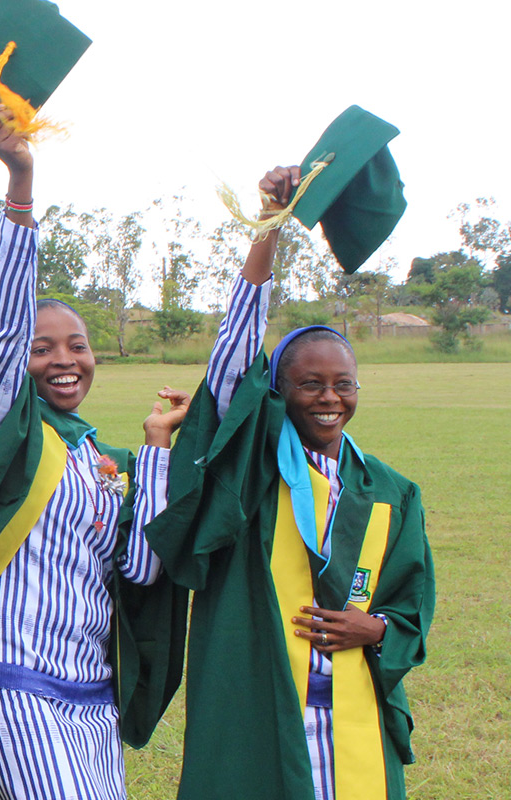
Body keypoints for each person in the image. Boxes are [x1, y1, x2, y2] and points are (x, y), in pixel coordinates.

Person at [0, 106, 190, 800]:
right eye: (44, 348)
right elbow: (2, 336)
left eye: (77, 345)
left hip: (91, 696)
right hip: (8, 682)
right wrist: (21, 183)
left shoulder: (99, 458)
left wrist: (154, 452)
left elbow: (144, 568)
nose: (64, 361)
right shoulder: (0, 428)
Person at [145, 166, 435, 800]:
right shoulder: (252, 468)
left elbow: (412, 604)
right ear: (276, 392)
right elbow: (231, 358)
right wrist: (271, 226)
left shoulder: (392, 491)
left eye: (344, 384)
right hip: (260, 704)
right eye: (309, 384)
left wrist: (375, 630)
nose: (329, 398)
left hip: (355, 709)